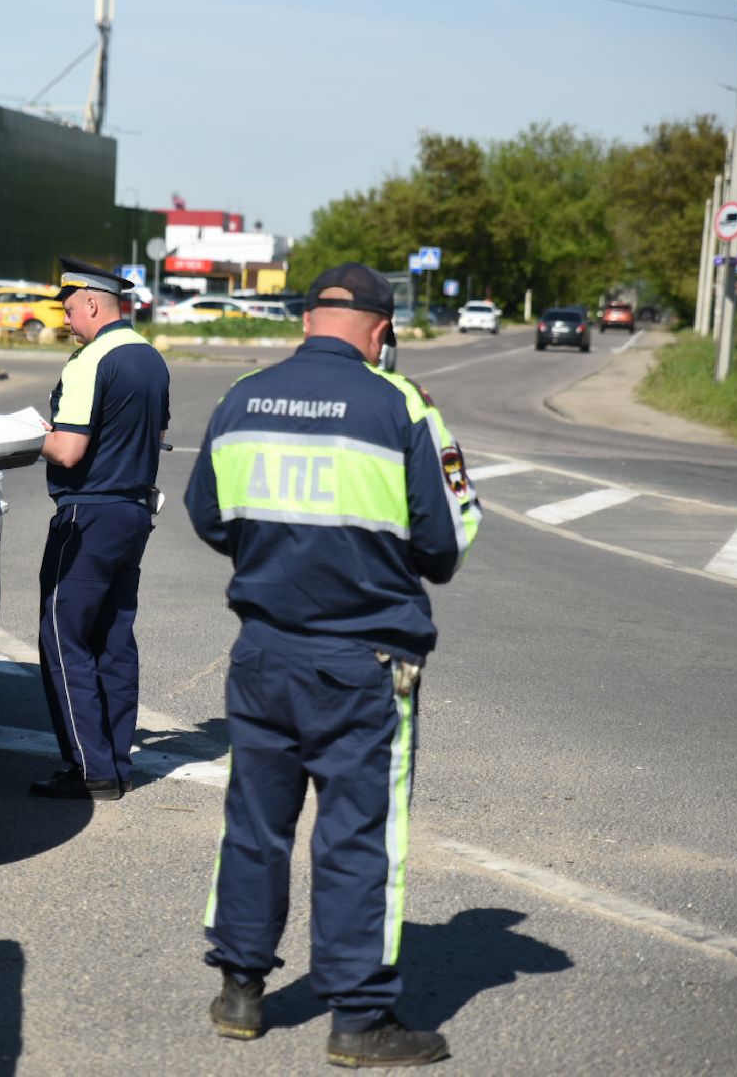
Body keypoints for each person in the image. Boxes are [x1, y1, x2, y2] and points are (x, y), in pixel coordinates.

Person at [184, 263, 482, 1066]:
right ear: (381, 332)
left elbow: (208, 515)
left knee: (253, 822)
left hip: (263, 651)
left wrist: (276, 552)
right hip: (364, 662)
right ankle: (358, 1021)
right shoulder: (401, 407)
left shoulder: (243, 395)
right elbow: (446, 544)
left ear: (309, 320)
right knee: (357, 836)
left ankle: (240, 991)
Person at [28, 257, 170, 801]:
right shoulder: (151, 358)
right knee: (113, 637)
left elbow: (69, 449)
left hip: (88, 514)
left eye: (68, 308)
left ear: (92, 303)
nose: (66, 319)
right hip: (133, 512)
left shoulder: (90, 360)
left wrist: (25, 437)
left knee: (64, 637)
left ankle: (90, 769)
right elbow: (154, 434)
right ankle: (114, 760)